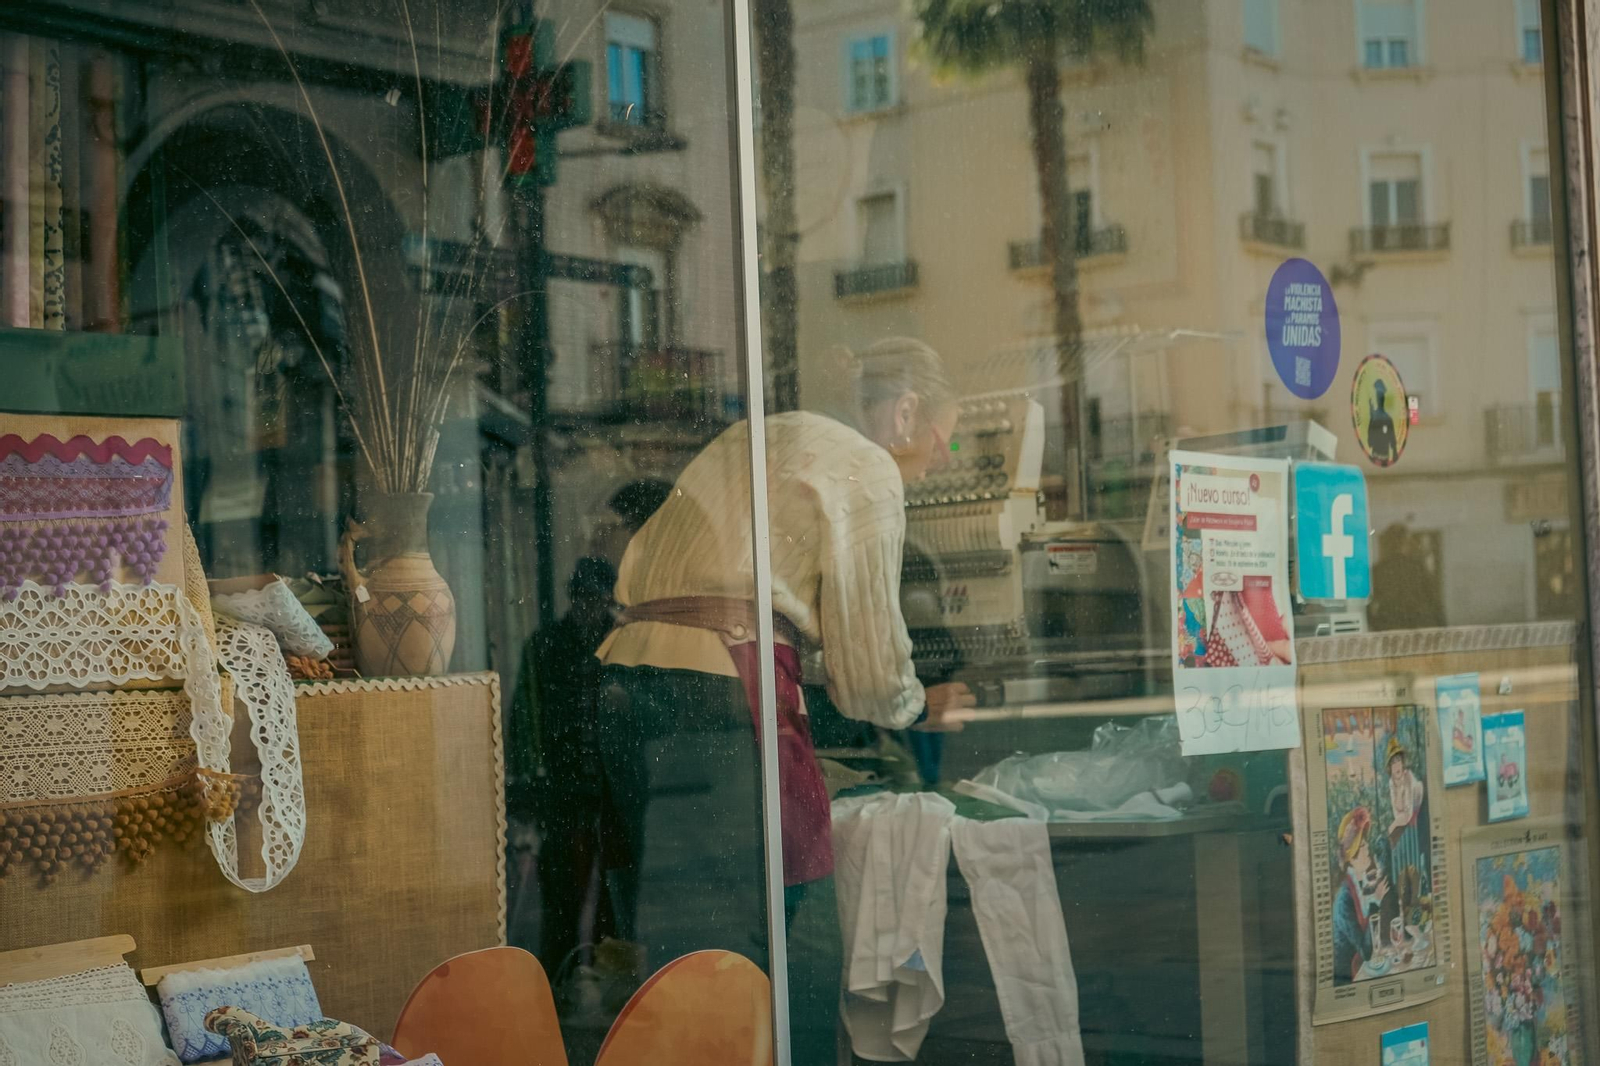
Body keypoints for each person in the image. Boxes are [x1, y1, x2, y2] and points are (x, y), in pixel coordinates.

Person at [594, 336, 975, 1063]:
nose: (945, 455)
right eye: (942, 437)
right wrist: (921, 704)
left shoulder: (763, 435)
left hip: (626, 680)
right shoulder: (869, 470)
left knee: (675, 940)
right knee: (788, 943)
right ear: (904, 413)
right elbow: (870, 675)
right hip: (721, 690)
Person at [508, 557, 621, 975]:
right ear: (572, 597)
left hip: (616, 790)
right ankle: (557, 983)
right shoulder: (545, 644)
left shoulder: (623, 642)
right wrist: (527, 784)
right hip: (562, 789)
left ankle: (613, 987)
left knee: (616, 896)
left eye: (597, 599)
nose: (589, 606)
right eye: (583, 597)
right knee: (561, 895)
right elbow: (524, 717)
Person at [1331, 806, 1389, 982]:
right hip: (1348, 978)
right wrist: (1377, 903)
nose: (1368, 849)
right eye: (1363, 846)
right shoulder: (1344, 901)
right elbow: (1366, 952)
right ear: (1352, 858)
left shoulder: (1361, 882)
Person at [1385, 735, 1427, 920]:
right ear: (1390, 767)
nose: (1397, 766)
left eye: (1399, 760)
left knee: (1414, 867)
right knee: (1400, 867)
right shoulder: (1391, 784)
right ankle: (1403, 910)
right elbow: (1397, 812)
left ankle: (1415, 909)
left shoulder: (1410, 779)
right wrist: (1396, 823)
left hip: (1416, 820)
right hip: (1404, 825)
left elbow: (1408, 813)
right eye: (1394, 762)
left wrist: (1394, 825)